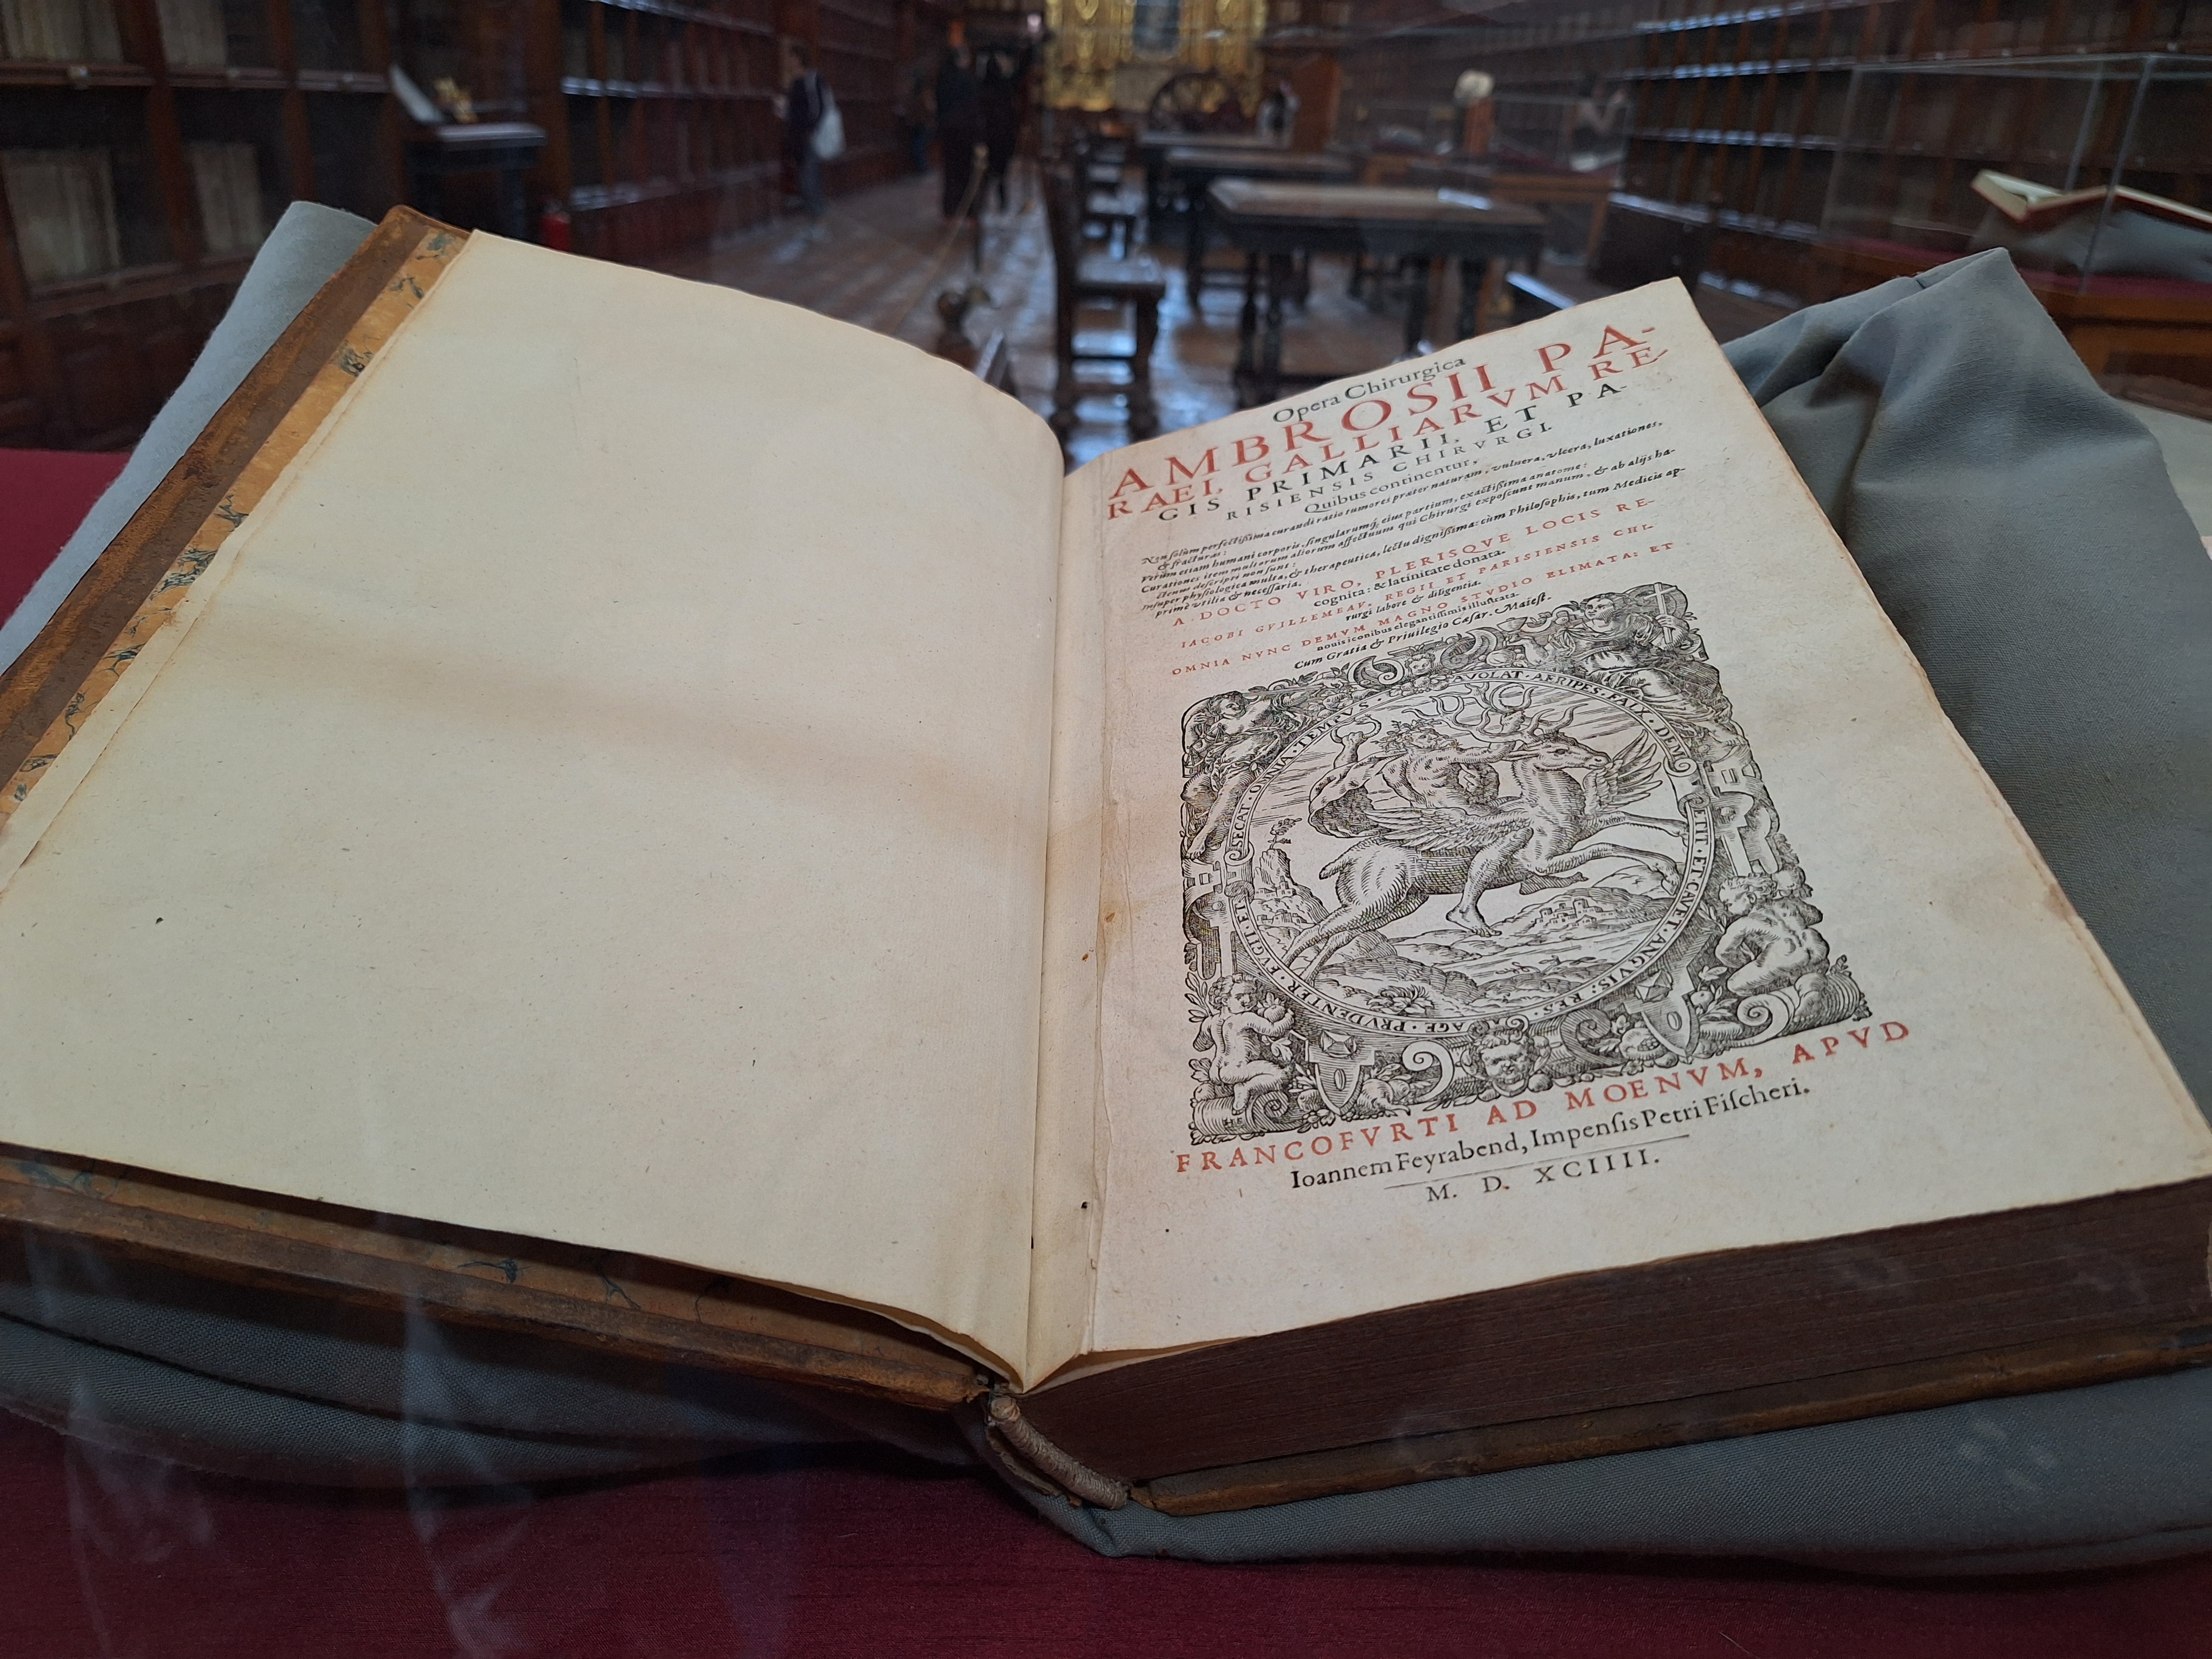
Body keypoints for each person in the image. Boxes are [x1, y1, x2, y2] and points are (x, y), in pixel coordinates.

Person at [779, 42, 829, 240]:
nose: (788, 62)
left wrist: (812, 129)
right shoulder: (796, 82)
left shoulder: (812, 79)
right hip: (797, 138)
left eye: (791, 57)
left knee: (810, 180)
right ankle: (813, 222)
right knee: (805, 180)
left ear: (800, 59)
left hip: (810, 137)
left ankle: (820, 222)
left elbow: (820, 107)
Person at [975, 41, 1031, 214]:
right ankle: (999, 203)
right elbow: (1020, 74)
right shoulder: (1003, 87)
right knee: (998, 173)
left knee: (989, 173)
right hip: (1000, 136)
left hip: (991, 135)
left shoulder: (984, 88)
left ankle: (984, 205)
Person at [934, 27, 981, 222]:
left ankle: (950, 211)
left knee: (951, 172)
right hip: (965, 133)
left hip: (948, 132)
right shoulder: (966, 80)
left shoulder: (942, 78)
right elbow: (972, 108)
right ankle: (968, 212)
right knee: (966, 173)